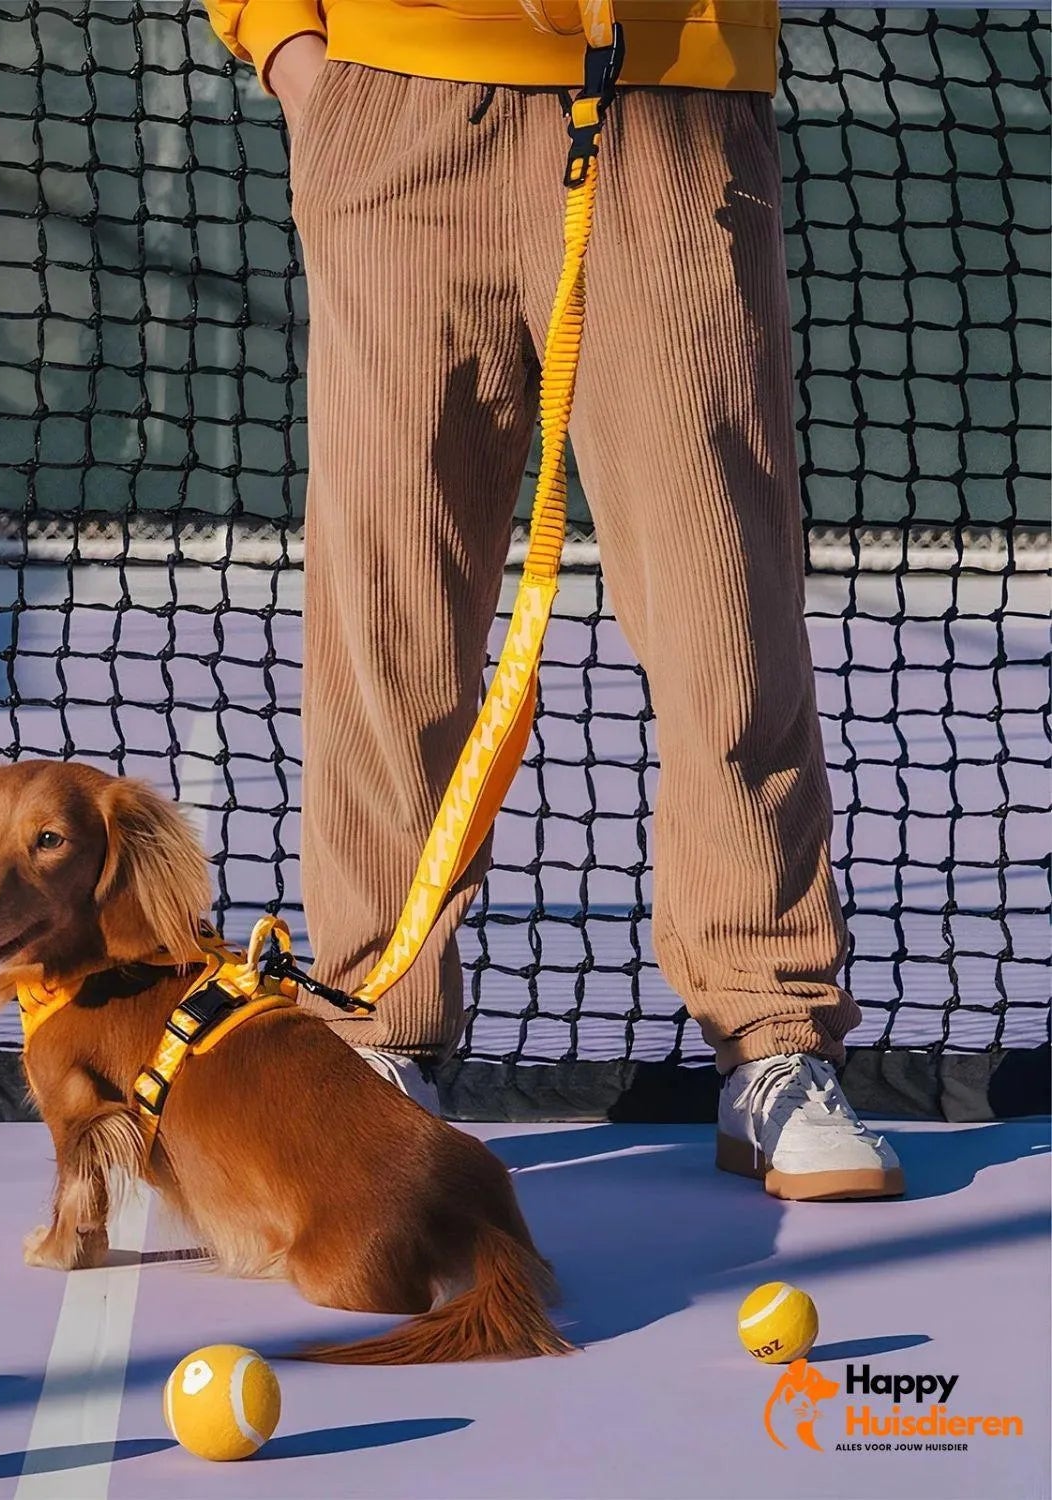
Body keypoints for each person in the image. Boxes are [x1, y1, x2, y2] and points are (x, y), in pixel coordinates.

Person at [202, 0, 903, 1201]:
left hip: (670, 113)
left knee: (723, 609)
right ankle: (382, 1025)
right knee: (387, 611)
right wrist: (288, 46)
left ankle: (772, 1040)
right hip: (395, 113)